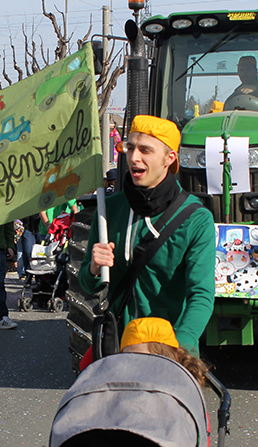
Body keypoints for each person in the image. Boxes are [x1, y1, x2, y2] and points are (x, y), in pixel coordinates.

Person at [80, 115, 216, 355]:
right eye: (130, 147)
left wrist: (181, 347)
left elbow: (201, 294)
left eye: (145, 150)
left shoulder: (196, 217)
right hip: (119, 347)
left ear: (169, 158)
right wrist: (93, 268)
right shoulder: (108, 209)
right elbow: (86, 285)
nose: (134, 157)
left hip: (169, 348)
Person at [119, 317, 209, 387]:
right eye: (127, 358)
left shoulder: (182, 390)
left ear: (168, 359)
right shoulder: (116, 387)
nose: (136, 367)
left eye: (144, 361)